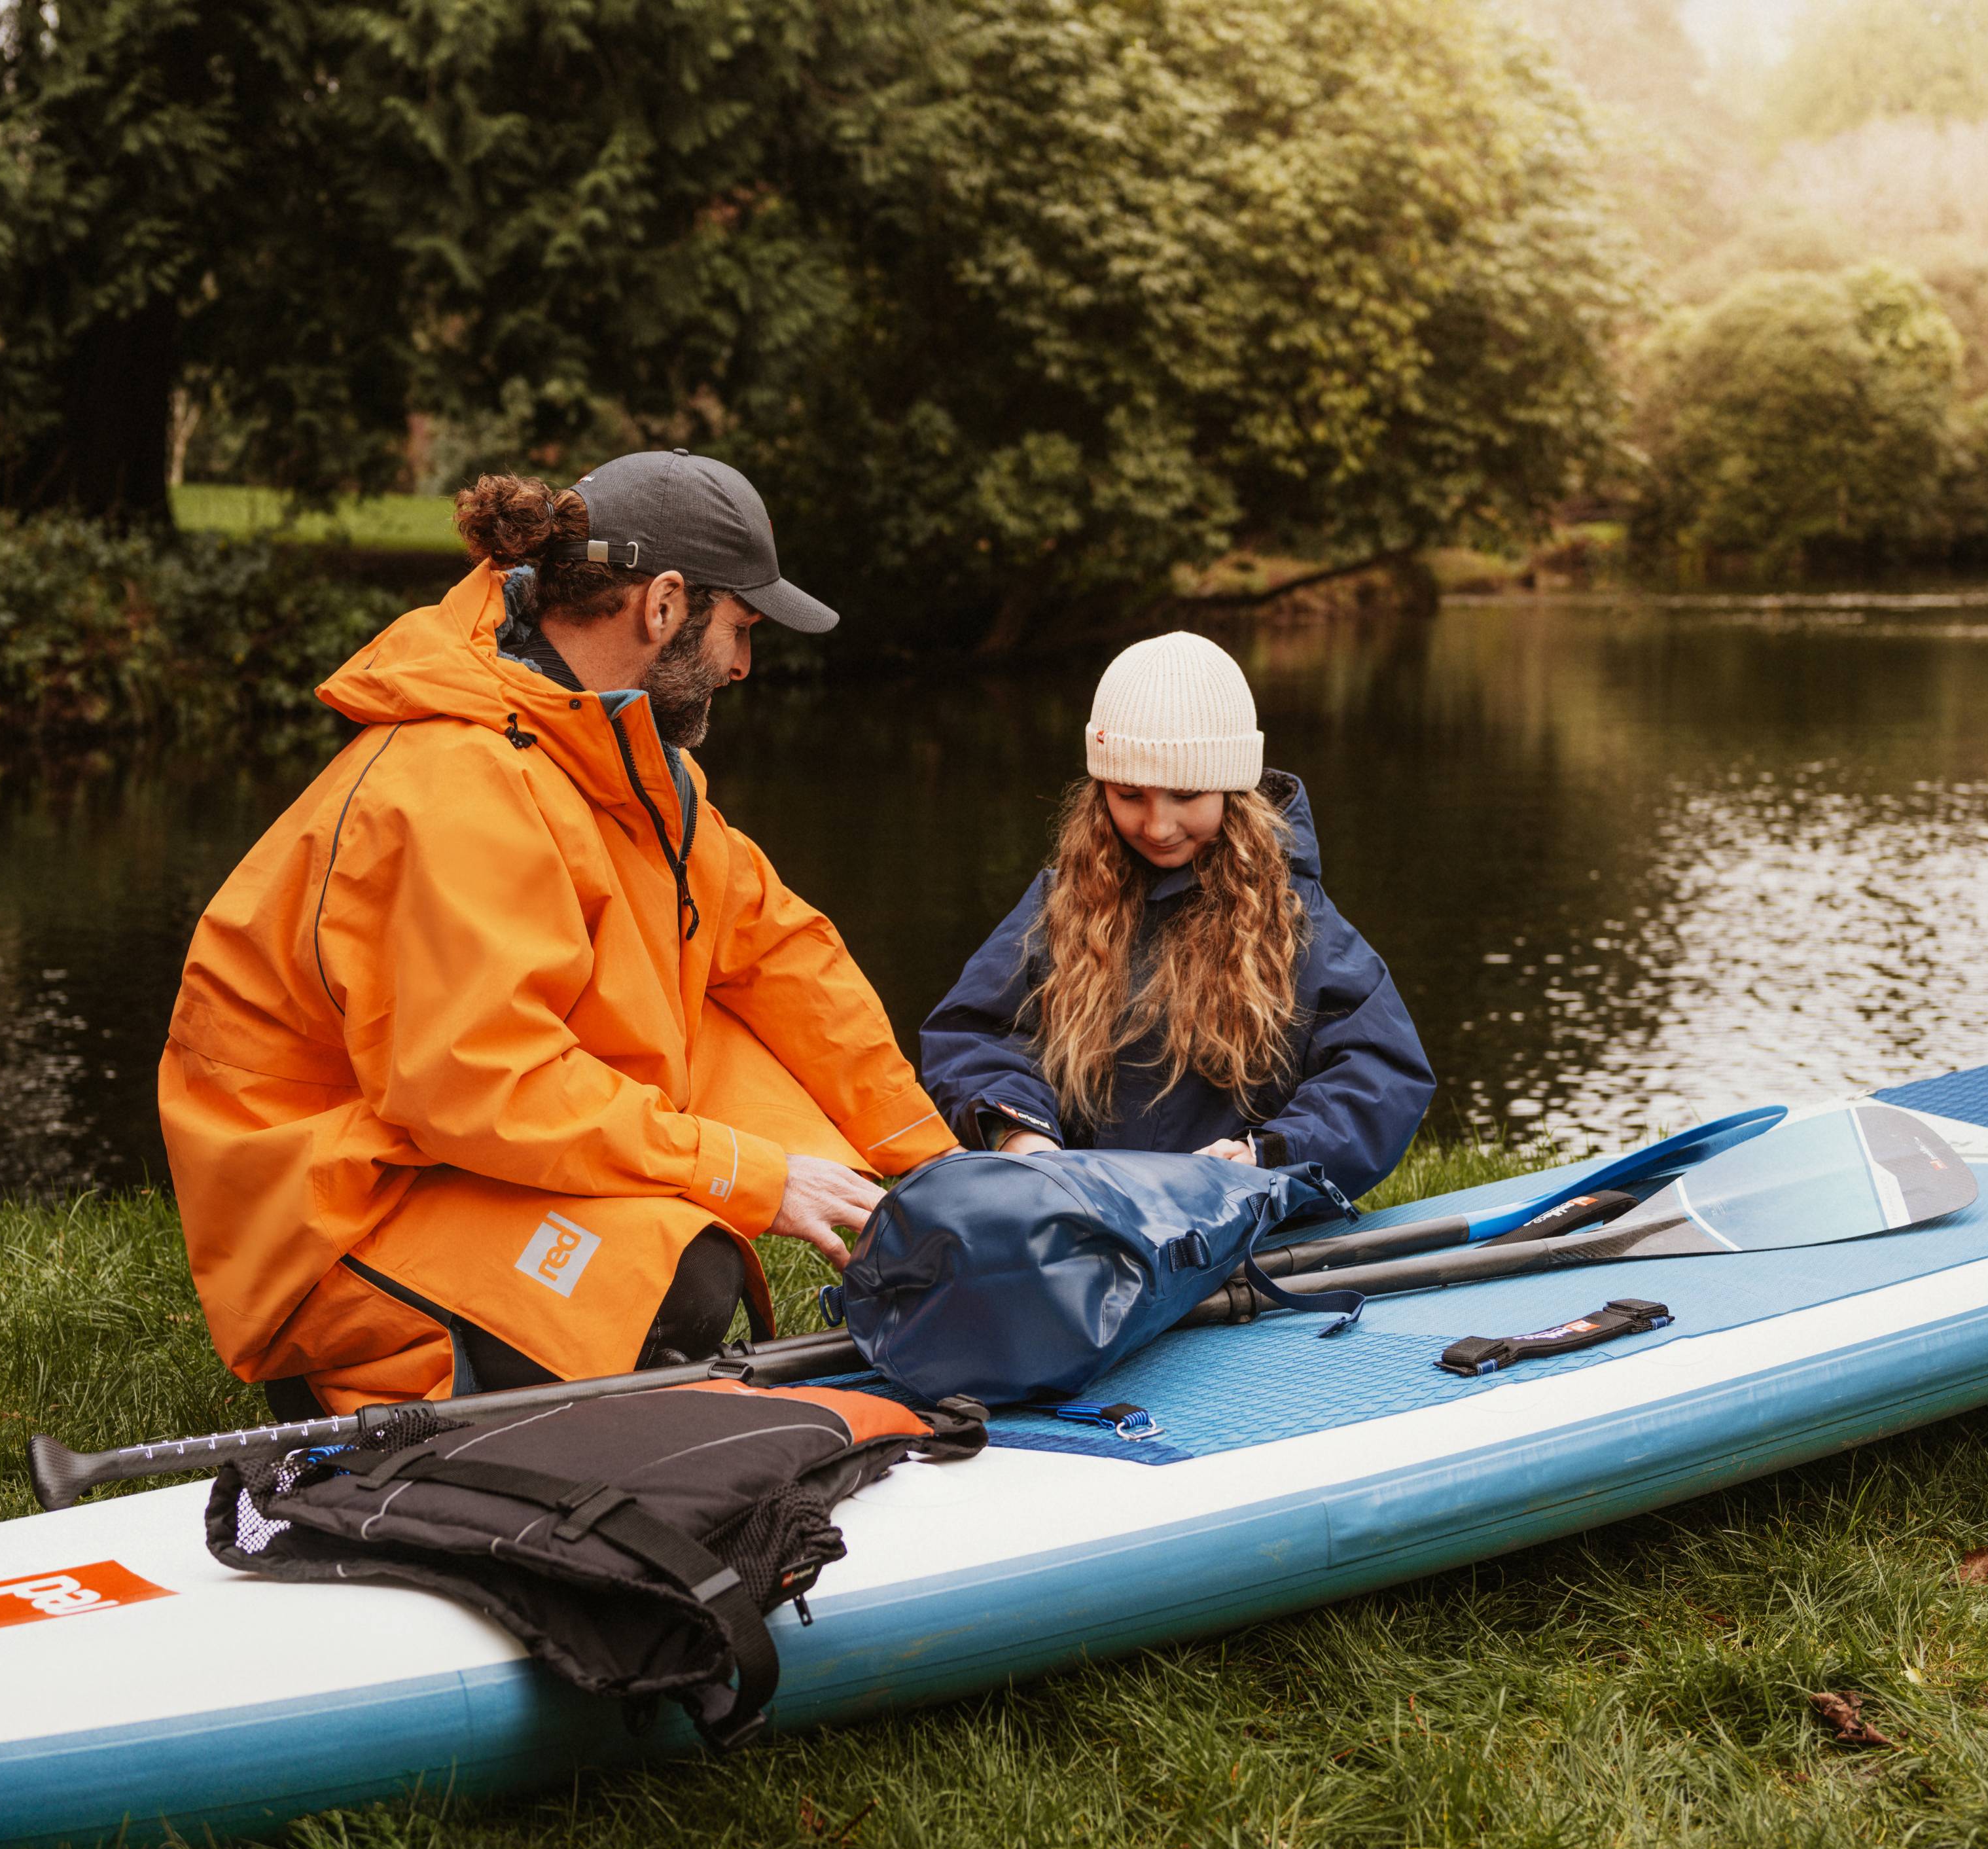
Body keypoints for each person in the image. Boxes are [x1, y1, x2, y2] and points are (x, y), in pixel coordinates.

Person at [159, 451, 956, 1418]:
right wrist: (744, 1174)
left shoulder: (630, 764)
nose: (743, 666)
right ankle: (370, 1388)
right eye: (739, 629)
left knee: (749, 1065)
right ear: (663, 605)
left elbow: (782, 953)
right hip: (339, 1205)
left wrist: (933, 1164)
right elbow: (486, 1078)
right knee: (681, 1274)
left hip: (441, 1144)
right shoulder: (458, 781)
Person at [922, 630, 1432, 1200]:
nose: (1157, 826)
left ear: (1232, 789)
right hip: (1074, 1218)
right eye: (1128, 795)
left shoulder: (1295, 918)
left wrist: (1266, 1154)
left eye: (1186, 795)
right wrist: (1023, 1140)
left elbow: (1381, 1075)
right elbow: (973, 1038)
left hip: (1232, 1224)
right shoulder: (1060, 902)